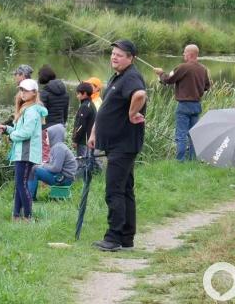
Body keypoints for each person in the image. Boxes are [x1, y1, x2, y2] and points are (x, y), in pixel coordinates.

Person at [88, 39, 147, 252]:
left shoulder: (131, 76)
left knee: (114, 191)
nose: (114, 57)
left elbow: (140, 94)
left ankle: (113, 238)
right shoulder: (119, 76)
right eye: (113, 53)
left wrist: (132, 113)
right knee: (125, 189)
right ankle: (126, 238)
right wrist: (95, 132)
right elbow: (106, 109)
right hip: (116, 143)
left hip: (124, 144)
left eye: (120, 54)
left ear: (130, 58)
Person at [0, 79, 47, 220]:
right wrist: (7, 129)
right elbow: (20, 130)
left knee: (21, 184)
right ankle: (16, 215)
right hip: (22, 153)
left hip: (27, 153)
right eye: (21, 90)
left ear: (34, 93)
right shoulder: (26, 109)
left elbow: (26, 133)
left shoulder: (31, 111)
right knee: (20, 184)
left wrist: (12, 136)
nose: (22, 93)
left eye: (25, 90)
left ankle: (28, 216)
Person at [153, 44, 211, 161]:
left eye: (184, 52)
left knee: (181, 135)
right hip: (196, 106)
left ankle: (180, 161)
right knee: (193, 135)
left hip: (184, 106)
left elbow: (168, 80)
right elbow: (207, 86)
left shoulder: (183, 67)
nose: (183, 54)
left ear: (190, 54)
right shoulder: (203, 69)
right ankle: (192, 159)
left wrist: (160, 73)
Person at [28, 124, 78, 201]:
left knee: (34, 170)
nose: (46, 138)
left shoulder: (58, 148)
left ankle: (29, 198)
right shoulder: (58, 146)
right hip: (63, 177)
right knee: (36, 167)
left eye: (48, 135)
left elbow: (56, 168)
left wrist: (43, 165)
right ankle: (31, 197)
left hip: (62, 179)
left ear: (54, 135)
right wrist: (43, 164)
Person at [38, 65, 69, 129]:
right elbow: (65, 113)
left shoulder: (45, 92)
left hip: (47, 127)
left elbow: (41, 113)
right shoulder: (65, 92)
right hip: (60, 126)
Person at [72, 82, 97, 158]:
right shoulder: (91, 104)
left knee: (82, 162)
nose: (77, 96)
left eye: (78, 93)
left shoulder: (85, 106)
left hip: (83, 140)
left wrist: (75, 140)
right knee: (88, 160)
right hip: (89, 139)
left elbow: (81, 125)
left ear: (85, 94)